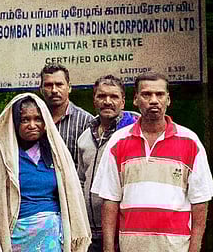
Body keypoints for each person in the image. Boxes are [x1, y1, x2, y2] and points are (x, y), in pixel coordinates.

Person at [91, 72, 213, 252]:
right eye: (147, 94)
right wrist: (108, 248)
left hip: (175, 247)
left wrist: (195, 248)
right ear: (135, 99)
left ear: (168, 100)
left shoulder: (190, 142)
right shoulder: (118, 141)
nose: (154, 100)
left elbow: (200, 202)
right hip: (132, 247)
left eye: (160, 94)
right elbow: (109, 201)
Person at [0, 93, 91, 252]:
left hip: (52, 236)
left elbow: (71, 195)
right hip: (15, 235)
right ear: (15, 123)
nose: (32, 125)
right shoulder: (0, 154)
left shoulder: (56, 153)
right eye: (25, 120)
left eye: (37, 119)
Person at [77, 75, 139, 252]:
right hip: (89, 230)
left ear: (123, 101)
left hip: (123, 230)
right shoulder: (85, 137)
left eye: (114, 97)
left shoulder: (133, 134)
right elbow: (81, 180)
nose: (107, 101)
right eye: (102, 96)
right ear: (94, 100)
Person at [39, 63, 93, 166]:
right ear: (41, 89)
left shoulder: (86, 121)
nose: (54, 90)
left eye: (59, 84)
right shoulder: (34, 120)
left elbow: (89, 164)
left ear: (69, 87)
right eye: (48, 85)